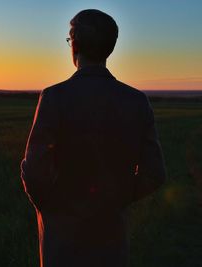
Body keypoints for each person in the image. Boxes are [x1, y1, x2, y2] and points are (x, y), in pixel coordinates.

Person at [20, 9, 166, 267]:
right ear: (109, 48)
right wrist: (116, 199)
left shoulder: (54, 97)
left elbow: (34, 171)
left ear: (74, 43)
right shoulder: (136, 101)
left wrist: (54, 209)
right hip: (112, 242)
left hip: (62, 246)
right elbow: (154, 173)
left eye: (69, 38)